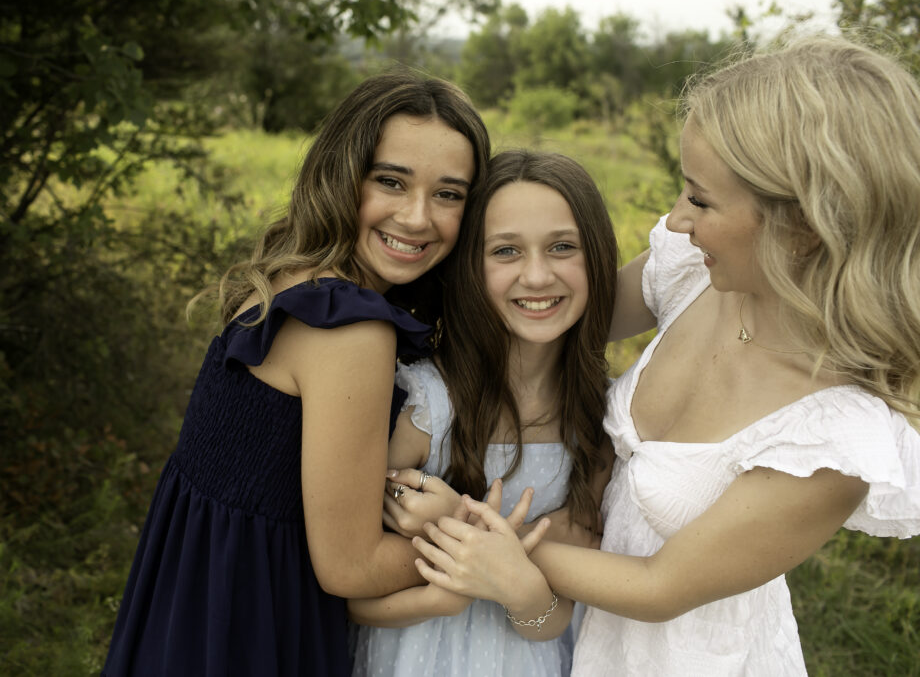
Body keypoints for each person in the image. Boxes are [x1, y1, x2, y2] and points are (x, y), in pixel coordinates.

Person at [411, 35, 920, 675]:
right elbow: (550, 319)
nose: (677, 220)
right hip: (590, 637)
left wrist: (479, 533)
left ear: (804, 225)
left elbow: (659, 587)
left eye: (701, 200)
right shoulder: (697, 274)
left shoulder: (834, 434)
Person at [102, 69, 490, 676]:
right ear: (342, 174)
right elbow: (350, 566)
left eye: (449, 194)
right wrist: (486, 547)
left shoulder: (293, 274)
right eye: (390, 181)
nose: (417, 218)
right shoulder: (351, 329)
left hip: (193, 604)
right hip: (255, 624)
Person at [348, 150, 617, 676]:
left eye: (562, 247)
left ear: (599, 260)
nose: (537, 276)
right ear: (470, 266)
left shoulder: (598, 421)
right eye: (506, 251)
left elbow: (553, 616)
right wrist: (447, 588)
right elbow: (347, 590)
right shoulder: (426, 407)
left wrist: (505, 574)